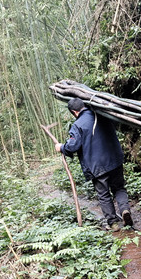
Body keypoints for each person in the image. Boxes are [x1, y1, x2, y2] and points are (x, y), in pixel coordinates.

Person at [55, 97, 133, 230]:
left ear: (74, 112)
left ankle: (113, 223)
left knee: (104, 194)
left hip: (96, 166)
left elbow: (72, 146)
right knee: (119, 188)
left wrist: (61, 147)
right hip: (114, 160)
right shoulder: (103, 114)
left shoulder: (77, 125)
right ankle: (125, 210)